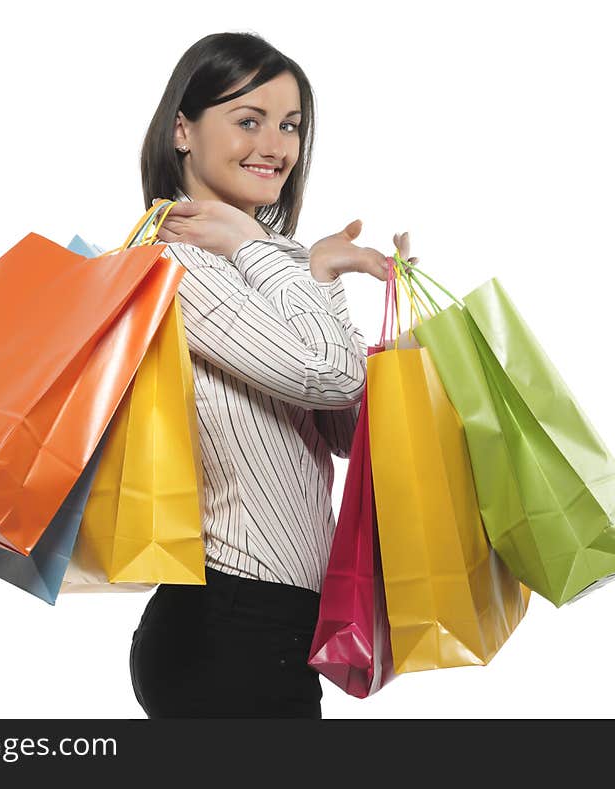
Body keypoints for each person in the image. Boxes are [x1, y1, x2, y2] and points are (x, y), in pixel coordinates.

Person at [129, 31, 410, 719]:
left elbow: (344, 428)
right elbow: (333, 377)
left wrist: (317, 272)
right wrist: (267, 252)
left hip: (270, 628)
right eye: (248, 120)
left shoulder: (254, 257)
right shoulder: (179, 262)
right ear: (182, 131)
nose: (276, 146)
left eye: (290, 125)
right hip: (227, 627)